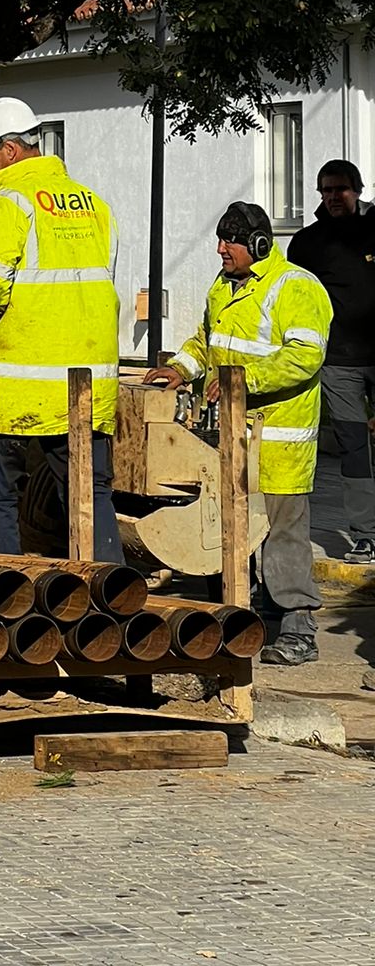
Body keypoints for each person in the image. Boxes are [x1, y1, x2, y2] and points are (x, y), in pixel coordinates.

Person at [147, 201, 331, 665]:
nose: (219, 250)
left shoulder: (297, 288)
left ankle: (298, 630)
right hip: (232, 438)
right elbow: (203, 342)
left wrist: (242, 379)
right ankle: (237, 614)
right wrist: (179, 370)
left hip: (280, 439)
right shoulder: (223, 288)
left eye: (229, 242)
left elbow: (304, 358)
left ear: (259, 245)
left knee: (282, 533)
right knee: (229, 528)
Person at [0, 95, 124, 562]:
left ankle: (5, 607)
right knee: (90, 500)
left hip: (14, 389)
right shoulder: (95, 206)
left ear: (9, 149)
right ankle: (112, 608)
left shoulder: (8, 204)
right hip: (86, 388)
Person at [287, 159, 375, 564]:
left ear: (357, 189)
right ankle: (366, 534)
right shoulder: (307, 244)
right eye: (325, 190)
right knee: (354, 447)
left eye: (340, 189)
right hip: (338, 361)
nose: (333, 197)